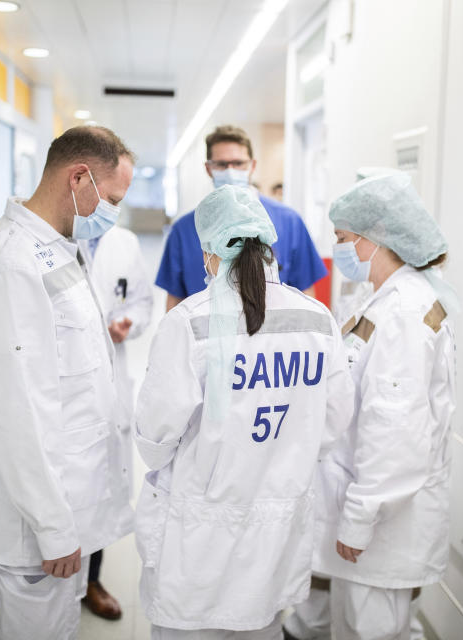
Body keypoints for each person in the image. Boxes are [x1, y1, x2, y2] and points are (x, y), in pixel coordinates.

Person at [134, 185, 355, 638]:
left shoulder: (189, 323)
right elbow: (332, 425)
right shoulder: (318, 320)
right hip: (276, 533)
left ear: (211, 251)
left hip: (198, 539)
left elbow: (155, 440)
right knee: (263, 628)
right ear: (270, 246)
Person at [0, 125, 136, 639]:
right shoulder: (17, 264)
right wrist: (54, 528)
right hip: (38, 524)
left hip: (64, 508)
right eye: (112, 199)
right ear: (79, 177)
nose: (113, 213)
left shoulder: (56, 246)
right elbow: (15, 412)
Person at [284, 172, 457, 640]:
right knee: (360, 628)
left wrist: (359, 519)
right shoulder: (385, 300)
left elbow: (394, 429)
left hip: (381, 523)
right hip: (370, 513)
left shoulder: (401, 311)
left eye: (343, 238)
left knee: (374, 631)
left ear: (374, 240)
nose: (339, 248)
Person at [156, 125, 327, 310]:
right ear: (208, 168)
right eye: (221, 164)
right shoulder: (184, 230)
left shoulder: (289, 222)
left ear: (252, 166)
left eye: (238, 164)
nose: (230, 170)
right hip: (205, 336)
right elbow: (174, 302)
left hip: (273, 337)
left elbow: (306, 294)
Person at [80, 223, 155, 620]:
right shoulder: (48, 240)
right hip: (61, 383)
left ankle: (90, 580)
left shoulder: (124, 241)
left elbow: (142, 302)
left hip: (110, 374)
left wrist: (128, 323)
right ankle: (47, 579)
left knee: (100, 481)